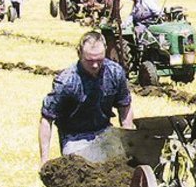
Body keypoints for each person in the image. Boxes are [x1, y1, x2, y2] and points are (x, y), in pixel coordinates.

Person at [38, 31, 134, 165]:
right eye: (90, 61)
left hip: (105, 133)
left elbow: (125, 105)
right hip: (74, 138)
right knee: (82, 170)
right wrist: (44, 160)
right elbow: (46, 119)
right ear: (79, 54)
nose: (95, 65)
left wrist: (129, 139)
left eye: (99, 60)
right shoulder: (66, 82)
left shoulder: (115, 73)